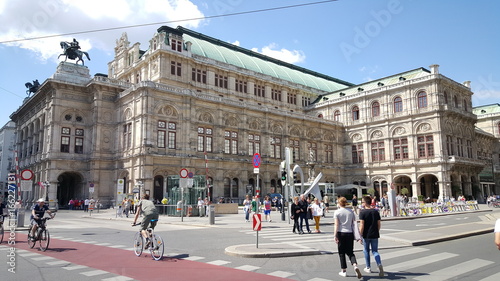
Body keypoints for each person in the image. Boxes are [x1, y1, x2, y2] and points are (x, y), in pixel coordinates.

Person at [334, 197, 362, 278]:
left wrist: (335, 235)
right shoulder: (351, 211)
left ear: (339, 203)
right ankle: (355, 265)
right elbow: (354, 223)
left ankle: (343, 270)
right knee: (350, 252)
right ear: (346, 203)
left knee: (341, 252)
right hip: (350, 233)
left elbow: (336, 224)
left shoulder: (337, 212)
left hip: (341, 233)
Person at [359, 195, 384, 277]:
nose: (361, 203)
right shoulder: (375, 211)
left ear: (365, 203)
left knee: (366, 250)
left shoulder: (362, 212)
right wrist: (377, 230)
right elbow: (379, 223)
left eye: (362, 202)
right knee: (375, 251)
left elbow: (362, 225)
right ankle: (379, 264)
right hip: (375, 234)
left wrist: (360, 234)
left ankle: (368, 267)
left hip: (366, 234)